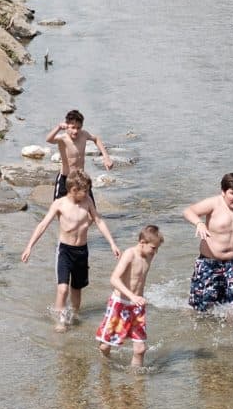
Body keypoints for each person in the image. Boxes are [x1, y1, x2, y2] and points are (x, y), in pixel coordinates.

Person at [20, 171, 120, 329]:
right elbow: (43, 225)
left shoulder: (87, 201)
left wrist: (112, 244)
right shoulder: (59, 204)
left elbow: (98, 221)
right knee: (63, 288)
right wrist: (29, 247)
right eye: (85, 190)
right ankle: (59, 321)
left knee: (76, 289)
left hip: (82, 251)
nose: (88, 193)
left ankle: (73, 315)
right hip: (65, 251)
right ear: (73, 190)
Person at [183, 172, 233, 312]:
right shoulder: (213, 204)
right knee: (201, 308)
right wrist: (199, 223)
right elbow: (188, 211)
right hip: (209, 262)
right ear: (223, 192)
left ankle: (232, 331)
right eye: (232, 193)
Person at [96, 225, 164, 366]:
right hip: (120, 303)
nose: (155, 252)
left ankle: (136, 383)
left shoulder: (149, 255)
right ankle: (104, 368)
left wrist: (136, 299)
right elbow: (114, 278)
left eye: (157, 248)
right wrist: (132, 296)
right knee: (105, 346)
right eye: (153, 248)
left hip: (137, 307)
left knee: (140, 350)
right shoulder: (130, 254)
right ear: (142, 242)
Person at [46, 109, 115, 199]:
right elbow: (48, 139)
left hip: (81, 178)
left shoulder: (84, 134)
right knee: (59, 208)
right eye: (73, 127)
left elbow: (96, 139)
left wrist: (106, 158)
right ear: (67, 126)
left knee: (90, 208)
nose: (76, 131)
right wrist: (58, 127)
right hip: (66, 178)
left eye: (78, 128)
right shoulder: (63, 138)